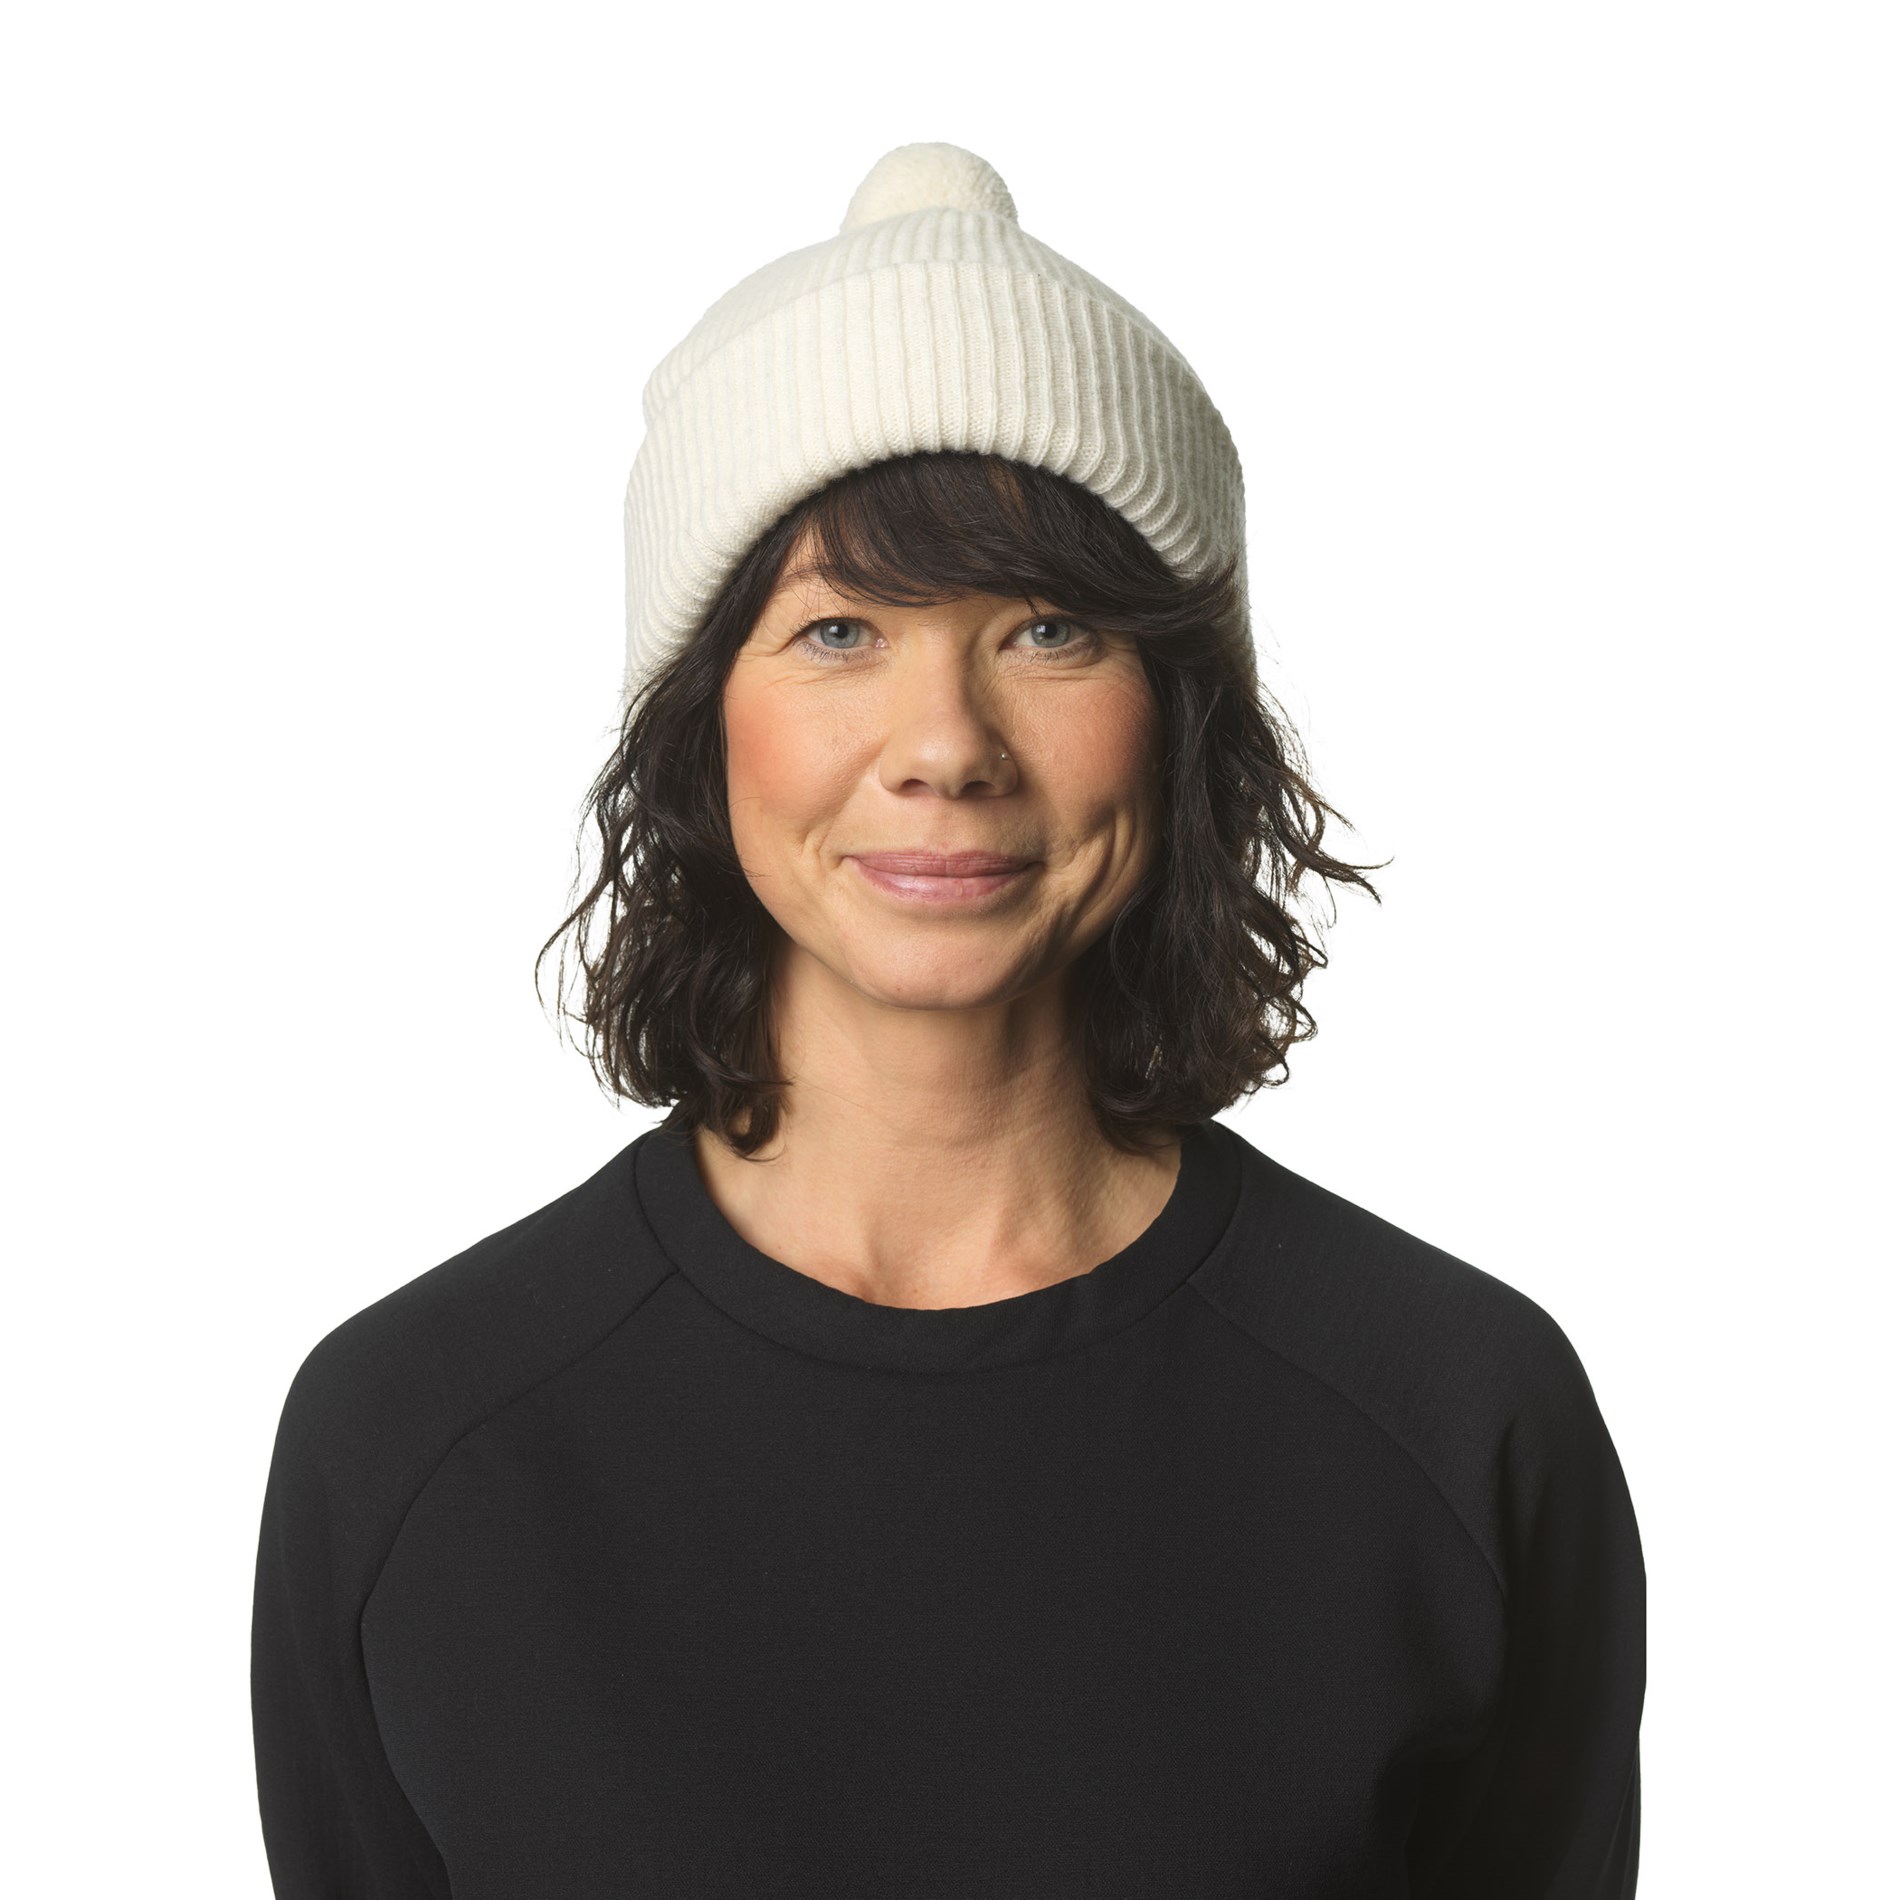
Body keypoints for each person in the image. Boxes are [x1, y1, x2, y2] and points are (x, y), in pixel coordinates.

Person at [251, 142, 1645, 1898]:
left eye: (1049, 628)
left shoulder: (1456, 1416)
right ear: (699, 724)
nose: (945, 745)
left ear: (1181, 717)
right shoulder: (414, 1436)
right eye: (840, 630)